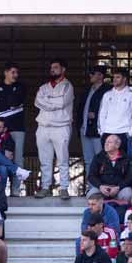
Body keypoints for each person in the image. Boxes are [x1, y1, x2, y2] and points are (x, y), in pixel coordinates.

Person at [34, 58, 74, 198]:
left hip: (61, 127)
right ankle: (45, 187)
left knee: (63, 159)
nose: (53, 70)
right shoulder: (43, 87)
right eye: (51, 68)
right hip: (43, 126)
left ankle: (64, 187)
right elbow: (37, 102)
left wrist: (47, 101)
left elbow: (62, 103)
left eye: (56, 67)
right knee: (44, 160)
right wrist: (53, 102)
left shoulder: (67, 86)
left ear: (63, 69)